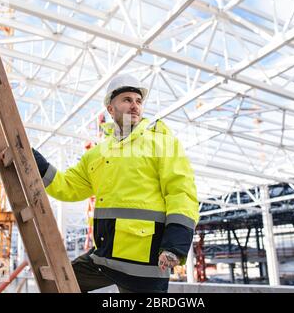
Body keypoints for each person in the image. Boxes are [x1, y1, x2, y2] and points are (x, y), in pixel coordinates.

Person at [32, 74, 199, 293]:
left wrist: (174, 246)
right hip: (105, 258)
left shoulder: (162, 143)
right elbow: (68, 187)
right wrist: (36, 162)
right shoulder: (99, 153)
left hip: (145, 265)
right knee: (59, 284)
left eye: (138, 101)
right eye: (127, 100)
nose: (135, 106)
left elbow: (181, 193)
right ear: (111, 109)